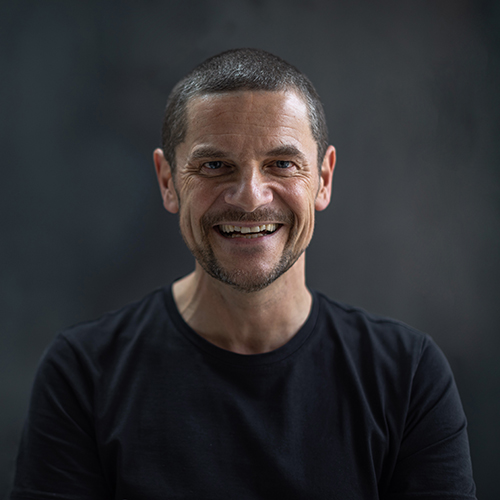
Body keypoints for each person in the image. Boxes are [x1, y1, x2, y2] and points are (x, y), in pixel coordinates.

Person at [10, 49, 476, 499]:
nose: (251, 197)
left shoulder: (408, 376)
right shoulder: (83, 374)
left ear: (324, 179)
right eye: (215, 165)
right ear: (168, 181)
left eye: (282, 164)